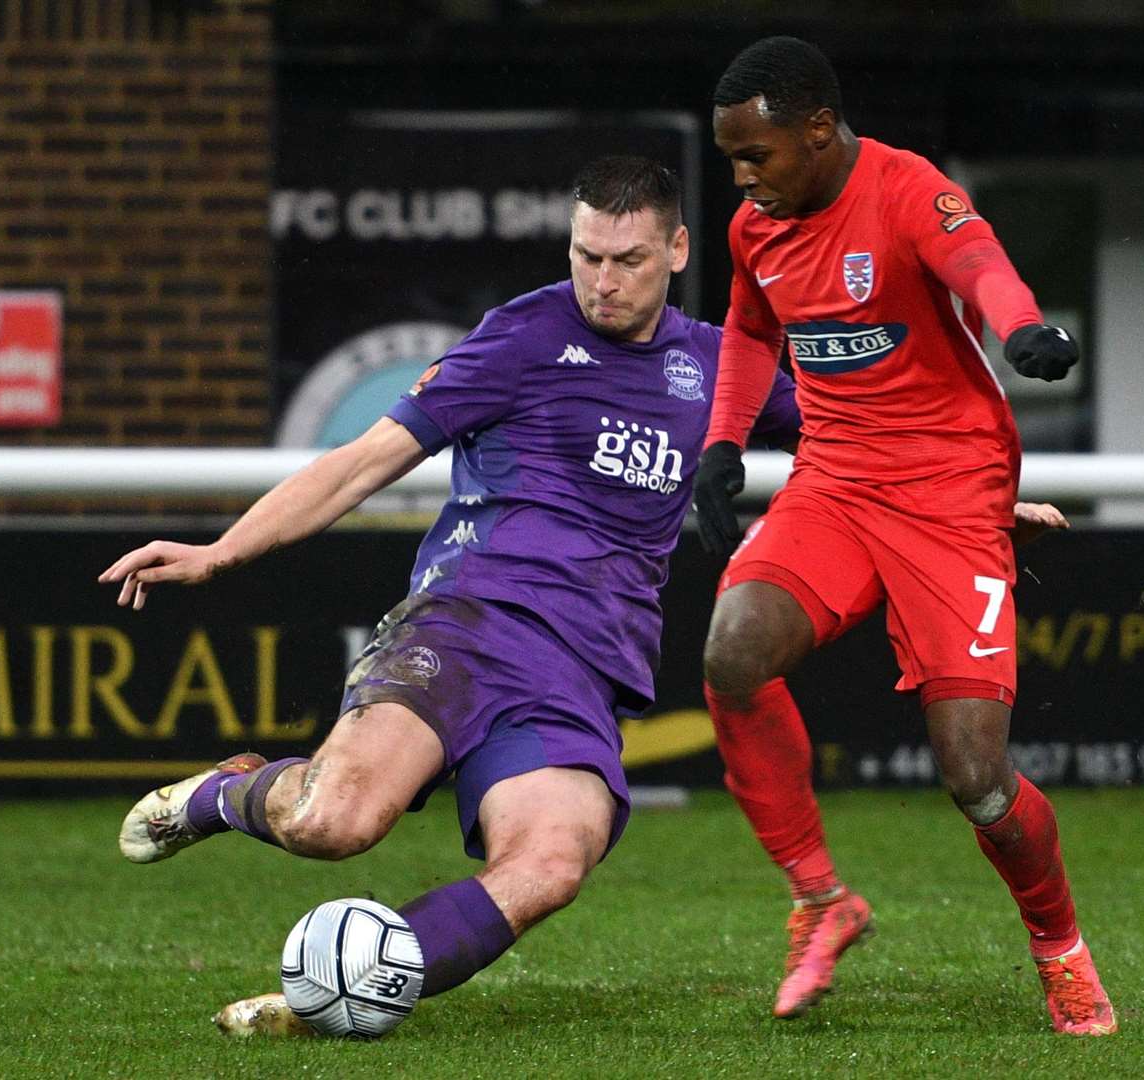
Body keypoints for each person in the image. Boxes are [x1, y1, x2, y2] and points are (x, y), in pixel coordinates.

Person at [99, 155, 801, 1034]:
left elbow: (858, 442)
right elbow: (365, 459)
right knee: (335, 824)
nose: (602, 281)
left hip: (582, 671)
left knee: (550, 863)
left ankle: (343, 996)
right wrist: (221, 553)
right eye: (587, 256)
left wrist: (973, 500)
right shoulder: (522, 337)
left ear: (678, 251)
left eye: (627, 261)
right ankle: (221, 795)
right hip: (469, 623)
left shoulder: (717, 366)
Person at [690, 36, 1116, 1036]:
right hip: (834, 482)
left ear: (820, 130)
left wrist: (1022, 330)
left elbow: (981, 268)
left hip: (951, 492)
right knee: (732, 652)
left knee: (973, 777)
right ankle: (818, 898)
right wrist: (722, 447)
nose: (744, 179)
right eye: (733, 162)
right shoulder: (759, 226)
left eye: (758, 156)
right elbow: (753, 333)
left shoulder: (907, 190)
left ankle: (1060, 949)